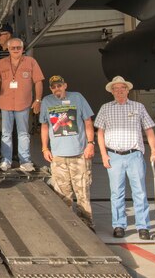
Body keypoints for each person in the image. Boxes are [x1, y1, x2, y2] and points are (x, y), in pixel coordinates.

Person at [95, 76, 155, 240]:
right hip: (114, 155)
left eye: (122, 88)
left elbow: (149, 130)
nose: (119, 91)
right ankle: (119, 225)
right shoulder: (106, 108)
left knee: (140, 192)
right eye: (115, 89)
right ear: (112, 91)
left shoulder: (138, 107)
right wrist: (103, 154)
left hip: (134, 155)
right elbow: (100, 132)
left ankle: (143, 226)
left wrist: (154, 150)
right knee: (116, 193)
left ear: (127, 90)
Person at [39, 75, 95, 228]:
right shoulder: (46, 101)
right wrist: (45, 148)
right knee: (62, 194)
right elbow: (44, 126)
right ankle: (68, 226)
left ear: (65, 85)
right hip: (58, 156)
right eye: (54, 87)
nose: (57, 89)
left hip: (79, 154)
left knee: (82, 192)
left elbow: (88, 121)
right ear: (51, 89)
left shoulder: (77, 97)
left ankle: (87, 224)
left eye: (59, 85)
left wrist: (90, 143)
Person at [0, 38, 43, 172]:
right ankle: (6, 160)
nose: (15, 50)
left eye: (18, 48)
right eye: (12, 48)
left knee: (23, 133)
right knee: (6, 134)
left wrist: (38, 100)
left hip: (23, 103)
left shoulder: (31, 62)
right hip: (5, 103)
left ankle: (25, 161)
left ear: (22, 49)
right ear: (8, 49)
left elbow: (38, 81)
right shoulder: (1, 63)